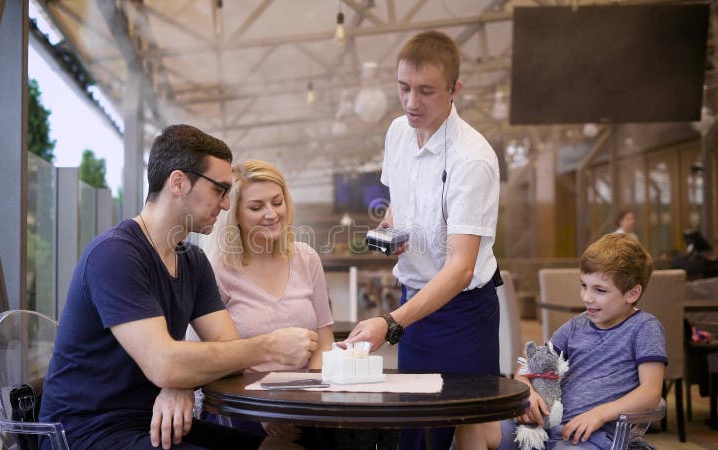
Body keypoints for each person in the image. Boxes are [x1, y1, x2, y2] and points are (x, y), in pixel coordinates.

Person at [38, 125, 317, 450]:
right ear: (179, 182)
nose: (227, 205)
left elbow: (227, 352)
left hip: (157, 422)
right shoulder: (114, 255)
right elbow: (166, 363)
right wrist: (268, 346)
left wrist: (180, 381)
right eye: (220, 190)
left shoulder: (193, 261)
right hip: (87, 433)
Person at [344, 30, 501, 449]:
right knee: (414, 427)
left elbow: (460, 267)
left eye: (426, 91)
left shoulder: (473, 160)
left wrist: (391, 323)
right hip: (414, 300)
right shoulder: (398, 131)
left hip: (463, 313)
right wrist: (387, 233)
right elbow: (399, 199)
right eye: (404, 88)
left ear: (454, 89)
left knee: (466, 427)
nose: (412, 102)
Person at [201, 160, 335, 447]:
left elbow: (325, 341)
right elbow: (207, 359)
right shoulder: (218, 270)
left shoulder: (306, 258)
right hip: (241, 408)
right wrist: (262, 412)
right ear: (234, 214)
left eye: (277, 202)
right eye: (256, 206)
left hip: (305, 406)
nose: (271, 214)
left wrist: (306, 402)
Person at [498, 233, 666, 450]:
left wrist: (599, 414)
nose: (587, 297)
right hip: (544, 428)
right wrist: (527, 390)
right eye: (584, 285)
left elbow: (651, 393)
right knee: (477, 428)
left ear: (632, 293)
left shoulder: (644, 327)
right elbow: (530, 365)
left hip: (594, 437)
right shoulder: (576, 326)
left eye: (600, 290)